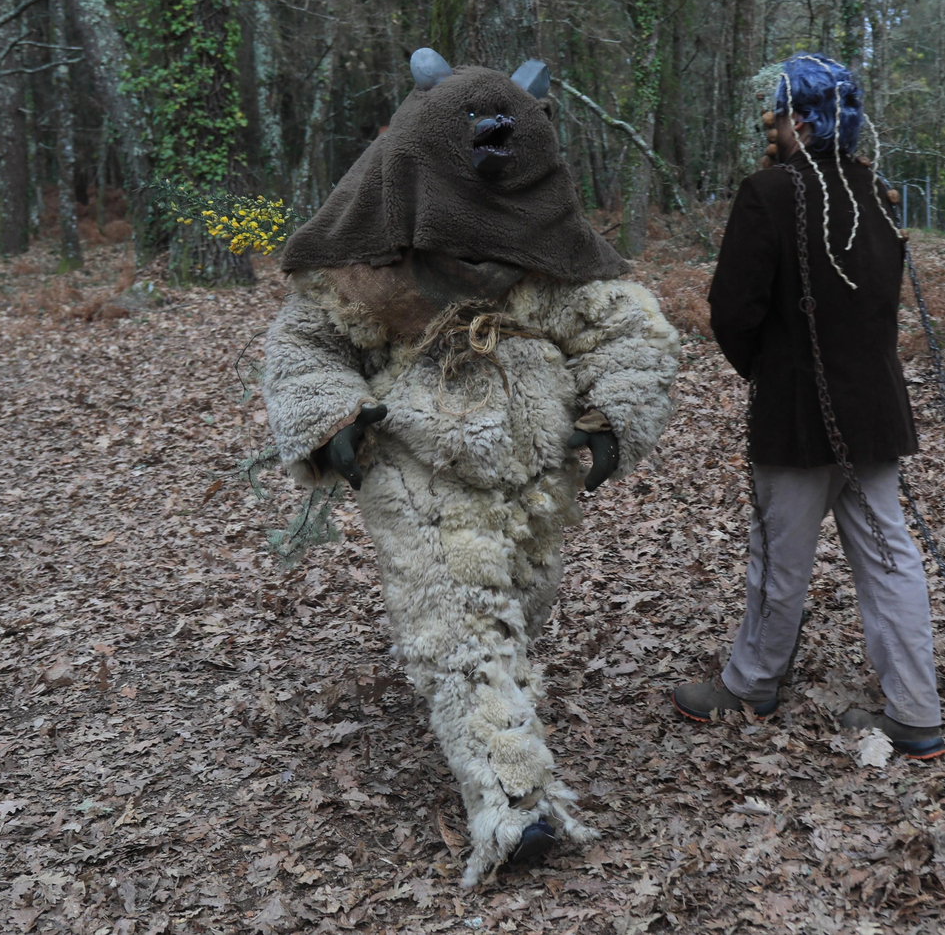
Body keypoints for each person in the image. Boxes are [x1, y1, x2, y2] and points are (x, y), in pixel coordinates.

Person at [261, 50, 680, 886]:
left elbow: (625, 328)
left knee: (520, 603)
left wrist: (614, 414)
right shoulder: (374, 265)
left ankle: (488, 694)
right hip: (420, 461)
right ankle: (512, 805)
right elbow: (305, 342)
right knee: (459, 626)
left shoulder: (546, 261)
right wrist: (332, 419)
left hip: (533, 479)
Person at [670, 54, 945, 760]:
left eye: (780, 112)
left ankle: (752, 685)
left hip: (797, 418)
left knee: (779, 560)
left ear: (800, 118)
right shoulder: (874, 192)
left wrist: (770, 373)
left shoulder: (767, 192)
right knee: (889, 560)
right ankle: (915, 710)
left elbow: (732, 311)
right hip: (873, 415)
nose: (774, 123)